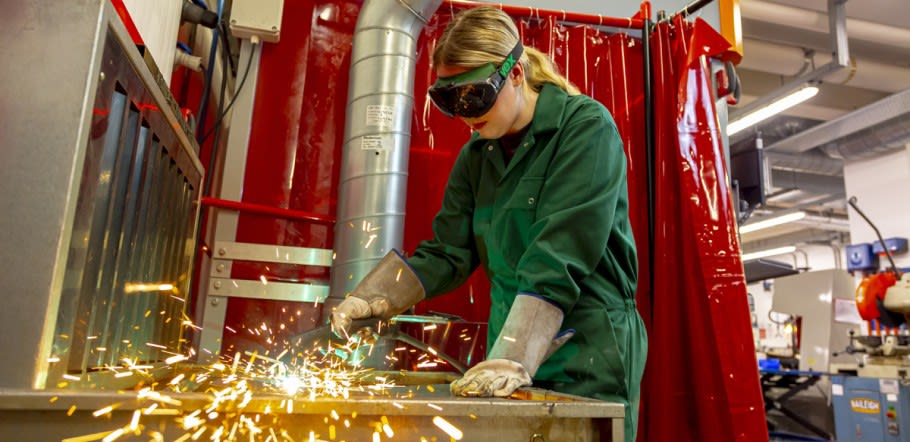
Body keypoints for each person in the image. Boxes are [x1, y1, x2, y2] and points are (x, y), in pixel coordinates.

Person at [331, 6, 647, 440]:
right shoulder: (477, 157)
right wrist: (374, 297)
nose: (464, 115)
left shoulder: (585, 128)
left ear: (515, 73)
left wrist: (514, 355)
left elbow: (560, 252)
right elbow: (448, 251)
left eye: (474, 96)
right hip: (507, 351)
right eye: (449, 101)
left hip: (585, 350)